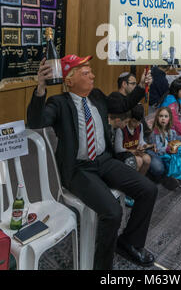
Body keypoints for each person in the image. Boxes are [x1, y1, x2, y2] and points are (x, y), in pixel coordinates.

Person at [27, 54, 158, 270]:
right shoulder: (59, 103)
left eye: (91, 72)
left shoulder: (96, 96)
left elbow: (123, 103)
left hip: (104, 160)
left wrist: (142, 87)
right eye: (86, 73)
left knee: (148, 189)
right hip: (79, 169)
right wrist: (40, 88)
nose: (93, 76)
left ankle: (128, 243)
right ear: (69, 80)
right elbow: (35, 121)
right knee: (112, 212)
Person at [150, 107, 181, 189]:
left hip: (170, 151)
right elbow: (158, 149)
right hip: (162, 154)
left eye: (166, 116)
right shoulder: (155, 133)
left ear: (169, 118)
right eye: (161, 116)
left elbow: (173, 141)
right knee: (175, 156)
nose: (163, 118)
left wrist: (175, 147)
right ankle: (179, 177)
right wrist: (168, 149)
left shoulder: (171, 131)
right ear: (157, 118)